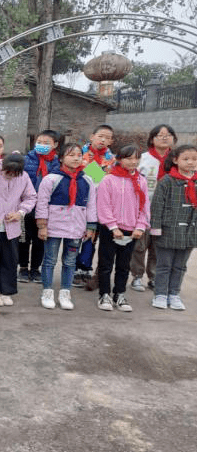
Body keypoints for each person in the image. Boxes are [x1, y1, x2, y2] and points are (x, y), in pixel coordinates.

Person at [36, 144, 97, 311]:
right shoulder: (51, 178)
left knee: (70, 262)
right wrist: (42, 225)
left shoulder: (87, 179)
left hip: (75, 228)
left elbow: (92, 204)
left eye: (79, 155)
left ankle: (65, 292)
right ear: (61, 158)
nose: (76, 158)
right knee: (50, 260)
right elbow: (41, 203)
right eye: (71, 155)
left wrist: (91, 225)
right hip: (53, 227)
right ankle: (47, 292)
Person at [95, 145, 150, 312]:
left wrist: (140, 226)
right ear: (119, 159)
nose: (133, 162)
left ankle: (119, 293)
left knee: (124, 264)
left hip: (131, 230)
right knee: (106, 264)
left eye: (136, 158)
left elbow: (144, 206)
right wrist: (113, 226)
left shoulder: (141, 180)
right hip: (110, 229)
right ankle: (104, 294)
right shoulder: (109, 179)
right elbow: (103, 205)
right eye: (128, 158)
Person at [0, 153, 36, 307]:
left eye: (14, 174)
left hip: (12, 227)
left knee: (10, 260)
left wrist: (20, 212)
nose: (10, 176)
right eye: (8, 173)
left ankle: (7, 291)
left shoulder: (23, 177)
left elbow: (31, 197)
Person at [149, 144, 197, 310]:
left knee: (180, 266)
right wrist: (156, 229)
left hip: (190, 232)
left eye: (194, 159)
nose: (191, 162)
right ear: (176, 160)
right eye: (186, 159)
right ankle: (160, 294)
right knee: (164, 265)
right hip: (168, 230)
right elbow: (157, 206)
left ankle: (174, 293)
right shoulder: (167, 181)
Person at [130, 124, 177, 292]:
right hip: (143, 210)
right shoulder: (142, 158)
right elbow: (118, 170)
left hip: (168, 212)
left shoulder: (178, 159)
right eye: (160, 134)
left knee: (160, 246)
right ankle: (136, 276)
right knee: (140, 245)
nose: (164, 137)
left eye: (168, 134)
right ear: (152, 139)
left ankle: (154, 276)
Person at [73, 124, 116, 288]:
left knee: (92, 236)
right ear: (92, 137)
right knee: (76, 235)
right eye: (100, 136)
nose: (103, 140)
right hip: (78, 201)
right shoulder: (79, 153)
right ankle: (73, 267)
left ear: (111, 141)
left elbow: (109, 181)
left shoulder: (112, 160)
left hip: (99, 204)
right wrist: (99, 176)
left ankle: (85, 268)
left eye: (107, 137)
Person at [19, 130, 61, 283]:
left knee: (40, 240)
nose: (41, 145)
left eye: (46, 143)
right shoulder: (25, 159)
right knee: (23, 239)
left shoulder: (58, 163)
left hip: (46, 209)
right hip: (26, 206)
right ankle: (23, 268)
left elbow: (91, 175)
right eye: (39, 142)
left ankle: (35, 269)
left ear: (55, 145)